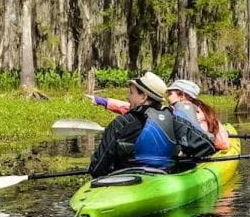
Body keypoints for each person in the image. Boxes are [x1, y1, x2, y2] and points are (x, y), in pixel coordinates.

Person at [87, 72, 216, 178]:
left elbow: (97, 169)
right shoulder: (174, 119)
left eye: (131, 93)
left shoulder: (120, 124)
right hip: (166, 175)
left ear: (143, 97)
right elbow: (203, 149)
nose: (128, 97)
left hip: (126, 180)